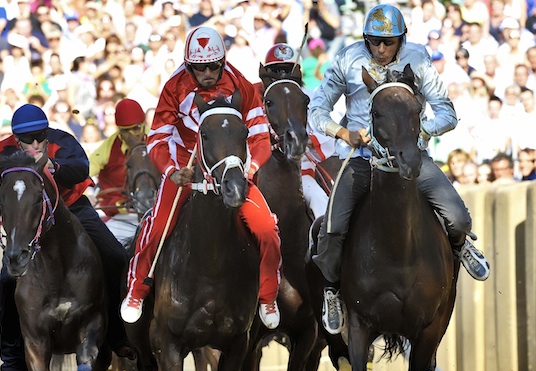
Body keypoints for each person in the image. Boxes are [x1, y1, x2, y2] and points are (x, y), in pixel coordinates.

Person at [308, 4, 491, 336]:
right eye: (373, 42)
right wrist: (342, 132)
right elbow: (317, 107)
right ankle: (333, 290)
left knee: (460, 217)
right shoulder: (348, 58)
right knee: (332, 229)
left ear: (401, 39)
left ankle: (461, 245)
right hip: (362, 159)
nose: (380, 49)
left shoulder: (419, 59)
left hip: (411, 158)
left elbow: (447, 113)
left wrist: (419, 134)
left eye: (388, 42)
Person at [0, 103, 135, 371]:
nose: (35, 143)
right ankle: (12, 362)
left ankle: (119, 336)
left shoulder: (62, 140)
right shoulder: (3, 150)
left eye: (40, 136)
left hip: (72, 209)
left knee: (116, 256)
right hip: (30, 222)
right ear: (15, 138)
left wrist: (55, 167)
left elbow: (80, 165)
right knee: (6, 282)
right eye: (28, 138)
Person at [120, 26, 282, 330]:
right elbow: (156, 139)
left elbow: (260, 135)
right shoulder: (173, 87)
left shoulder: (240, 84)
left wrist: (250, 168)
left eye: (212, 66)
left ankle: (268, 295)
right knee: (156, 227)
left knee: (267, 228)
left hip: (231, 170)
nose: (207, 73)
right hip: (187, 169)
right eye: (199, 68)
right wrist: (171, 171)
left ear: (222, 62)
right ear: (188, 64)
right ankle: (137, 290)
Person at [258, 42, 335, 220]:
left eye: (287, 69)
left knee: (319, 200)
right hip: (260, 172)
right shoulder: (255, 100)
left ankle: (323, 246)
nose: (282, 75)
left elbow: (325, 133)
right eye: (276, 71)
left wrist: (303, 140)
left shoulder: (308, 96)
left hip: (300, 172)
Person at [89, 98, 147, 248]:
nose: (131, 136)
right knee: (106, 246)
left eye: (136, 128)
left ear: (144, 124)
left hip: (157, 212)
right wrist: (86, 195)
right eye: (125, 131)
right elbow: (83, 172)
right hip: (124, 217)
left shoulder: (158, 140)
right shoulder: (108, 147)